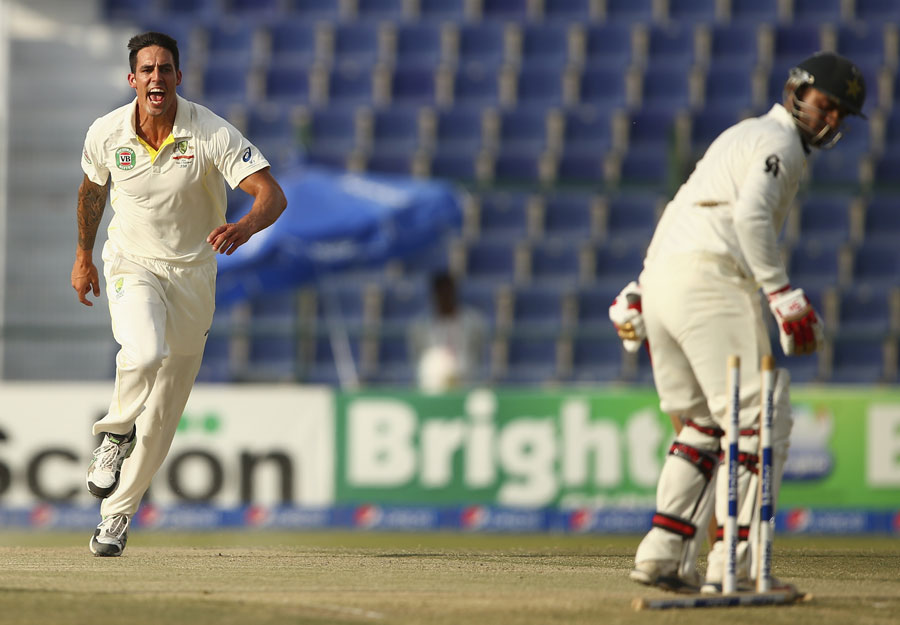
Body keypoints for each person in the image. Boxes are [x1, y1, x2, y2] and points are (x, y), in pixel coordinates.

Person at [608, 52, 866, 592]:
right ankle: (738, 567)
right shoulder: (778, 143)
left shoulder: (740, 134)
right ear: (797, 90)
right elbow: (748, 217)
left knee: (703, 426)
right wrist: (781, 293)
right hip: (711, 281)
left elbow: (687, 205)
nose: (832, 119)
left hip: (665, 282)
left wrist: (641, 285)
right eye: (827, 105)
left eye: (842, 113)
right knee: (759, 414)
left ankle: (664, 555)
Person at [70, 32, 287, 556]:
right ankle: (115, 433)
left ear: (178, 78)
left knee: (164, 412)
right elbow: (91, 190)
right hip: (131, 263)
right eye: (146, 70)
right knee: (143, 352)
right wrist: (82, 256)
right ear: (133, 80)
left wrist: (245, 226)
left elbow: (271, 195)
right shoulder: (106, 132)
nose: (156, 78)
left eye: (165, 69)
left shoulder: (209, 130)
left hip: (193, 276)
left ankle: (115, 519)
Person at [408, 271, 487, 393]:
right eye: (441, 292)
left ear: (454, 292)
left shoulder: (474, 323)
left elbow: (480, 353)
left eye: (448, 291)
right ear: (434, 294)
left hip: (467, 384)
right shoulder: (420, 326)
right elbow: (417, 357)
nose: (445, 296)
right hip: (433, 387)